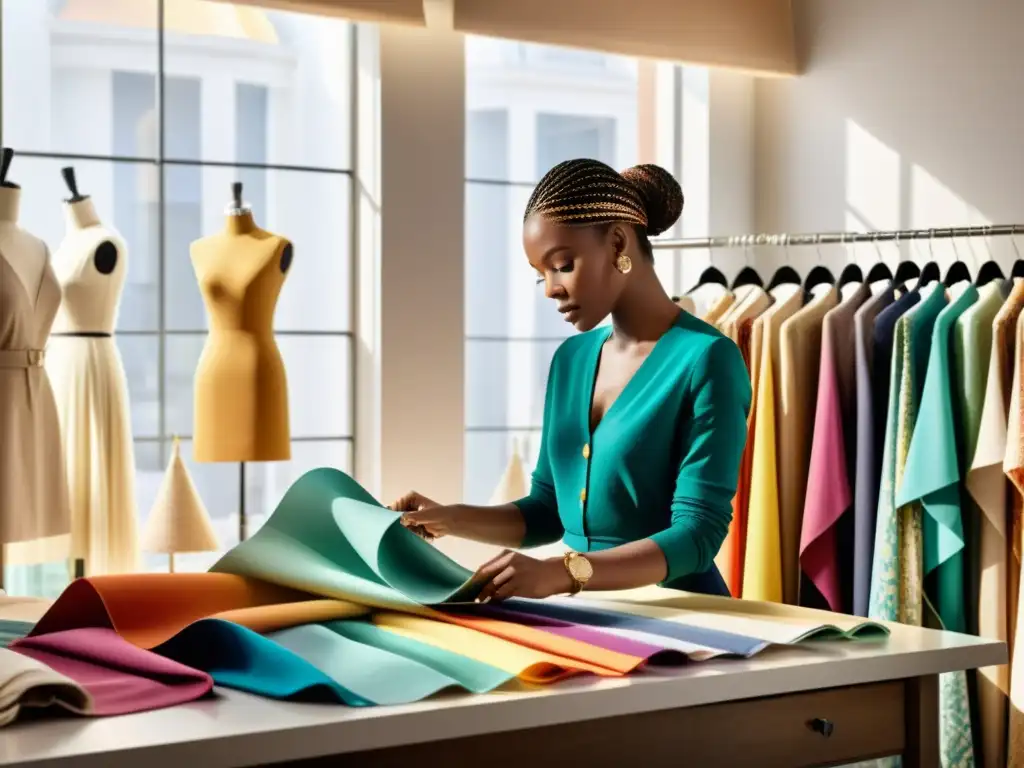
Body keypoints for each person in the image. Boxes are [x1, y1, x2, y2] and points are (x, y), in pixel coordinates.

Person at [392, 158, 751, 603]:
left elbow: (697, 535)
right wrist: (450, 519)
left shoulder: (708, 359)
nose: (550, 289)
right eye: (540, 275)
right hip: (589, 611)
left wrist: (565, 573)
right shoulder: (571, 359)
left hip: (688, 616)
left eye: (561, 265)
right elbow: (546, 510)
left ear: (618, 241)